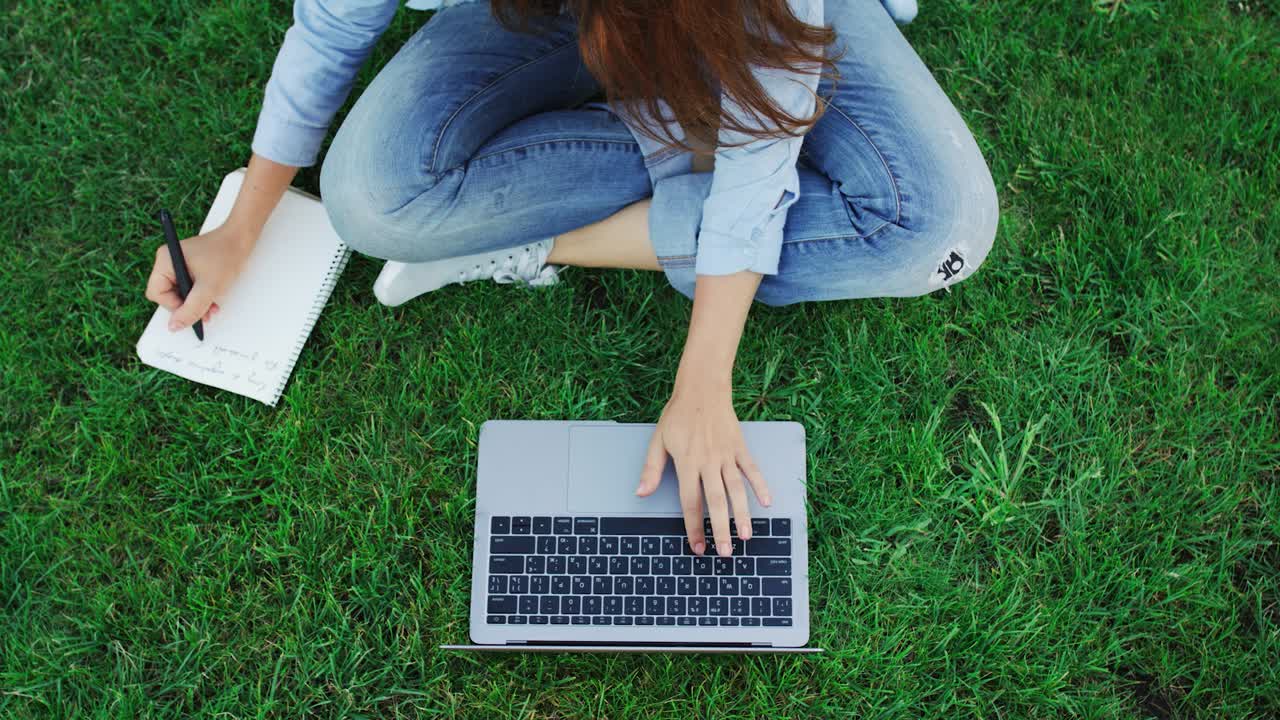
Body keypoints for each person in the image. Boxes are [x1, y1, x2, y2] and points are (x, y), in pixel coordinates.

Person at [143, 0, 998, 559]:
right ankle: (672, 129)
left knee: (935, 230)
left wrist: (703, 379)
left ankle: (547, 233)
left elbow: (762, 139)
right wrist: (237, 228)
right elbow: (332, 28)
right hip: (548, 15)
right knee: (369, 196)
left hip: (746, 17)